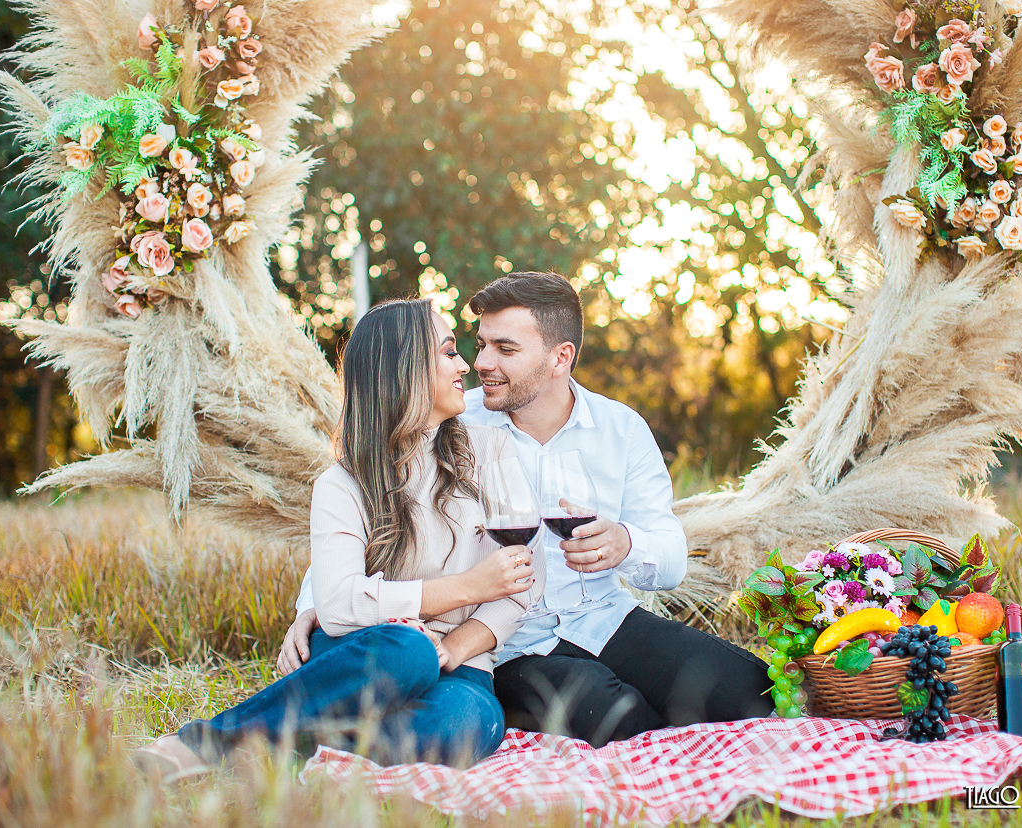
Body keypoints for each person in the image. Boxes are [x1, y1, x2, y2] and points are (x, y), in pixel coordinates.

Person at [281, 273, 773, 747]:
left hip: (603, 617)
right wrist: (314, 606)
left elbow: (670, 559)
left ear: (561, 357)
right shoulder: (453, 419)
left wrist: (625, 543)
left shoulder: (620, 430)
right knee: (617, 714)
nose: (481, 363)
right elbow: (372, 508)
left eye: (506, 349)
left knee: (747, 689)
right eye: (479, 345)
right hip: (507, 642)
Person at [134, 299, 538, 781]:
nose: (464, 365)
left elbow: (522, 584)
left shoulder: (491, 452)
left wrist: (452, 646)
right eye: (449, 353)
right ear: (403, 368)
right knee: (407, 651)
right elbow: (341, 606)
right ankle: (203, 745)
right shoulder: (342, 483)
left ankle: (283, 747)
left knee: (466, 724)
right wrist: (467, 589)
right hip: (373, 653)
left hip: (465, 668)